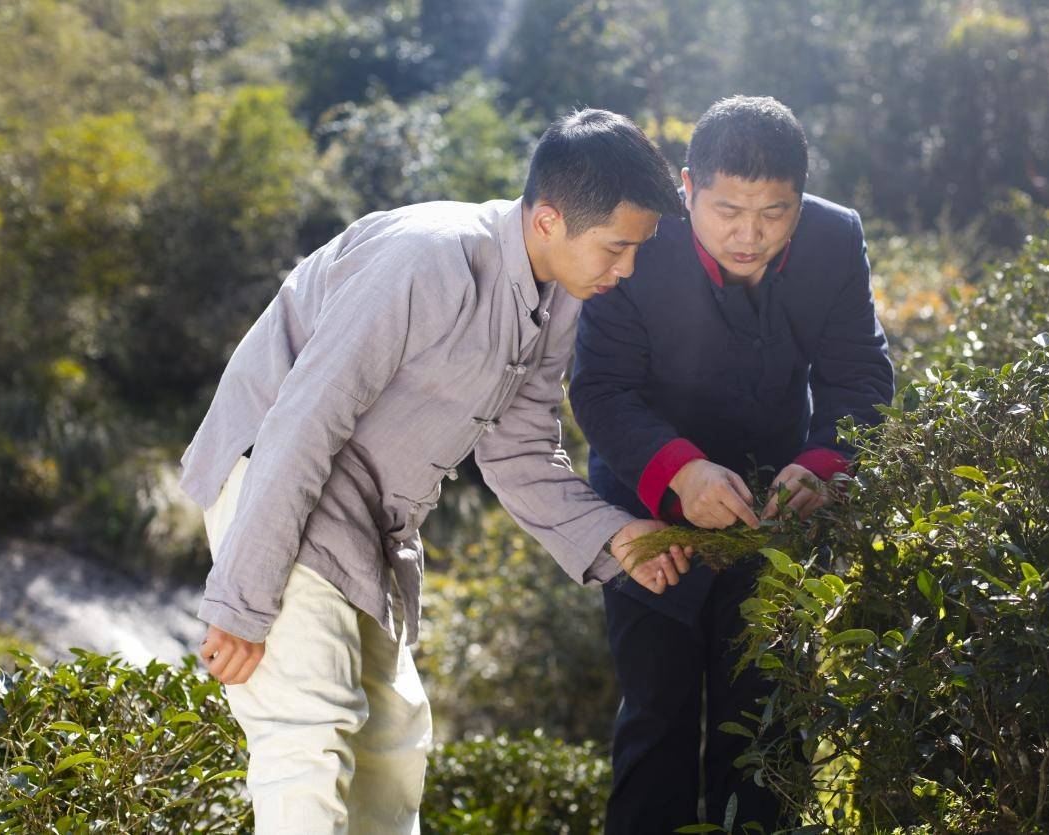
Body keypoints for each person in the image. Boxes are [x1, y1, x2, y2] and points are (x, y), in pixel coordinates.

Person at [179, 108, 692, 834]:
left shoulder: (560, 301)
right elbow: (301, 421)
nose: (626, 268)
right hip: (277, 488)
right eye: (615, 247)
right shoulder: (425, 257)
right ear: (548, 220)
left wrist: (614, 537)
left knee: (393, 745)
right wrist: (240, 601)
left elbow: (518, 450)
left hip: (369, 522)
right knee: (307, 734)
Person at [569, 95, 894, 833]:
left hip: (774, 511)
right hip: (648, 511)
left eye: (774, 213)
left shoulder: (835, 239)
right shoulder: (637, 240)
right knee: (656, 718)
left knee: (766, 725)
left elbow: (860, 378)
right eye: (725, 211)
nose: (748, 235)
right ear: (686, 188)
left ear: (800, 198)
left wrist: (820, 463)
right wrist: (681, 470)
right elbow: (600, 387)